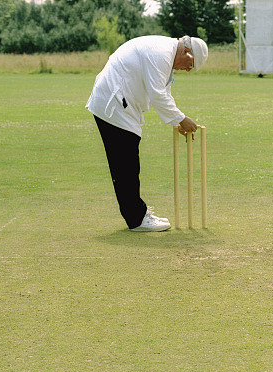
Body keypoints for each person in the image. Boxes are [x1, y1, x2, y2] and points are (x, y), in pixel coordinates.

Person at [87, 35, 208, 232]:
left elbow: (164, 92)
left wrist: (177, 123)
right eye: (191, 65)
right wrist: (182, 119)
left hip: (119, 104)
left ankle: (137, 214)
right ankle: (136, 219)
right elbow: (157, 94)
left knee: (127, 162)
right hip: (113, 105)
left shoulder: (166, 55)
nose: (188, 70)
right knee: (126, 164)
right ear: (186, 52)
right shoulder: (161, 53)